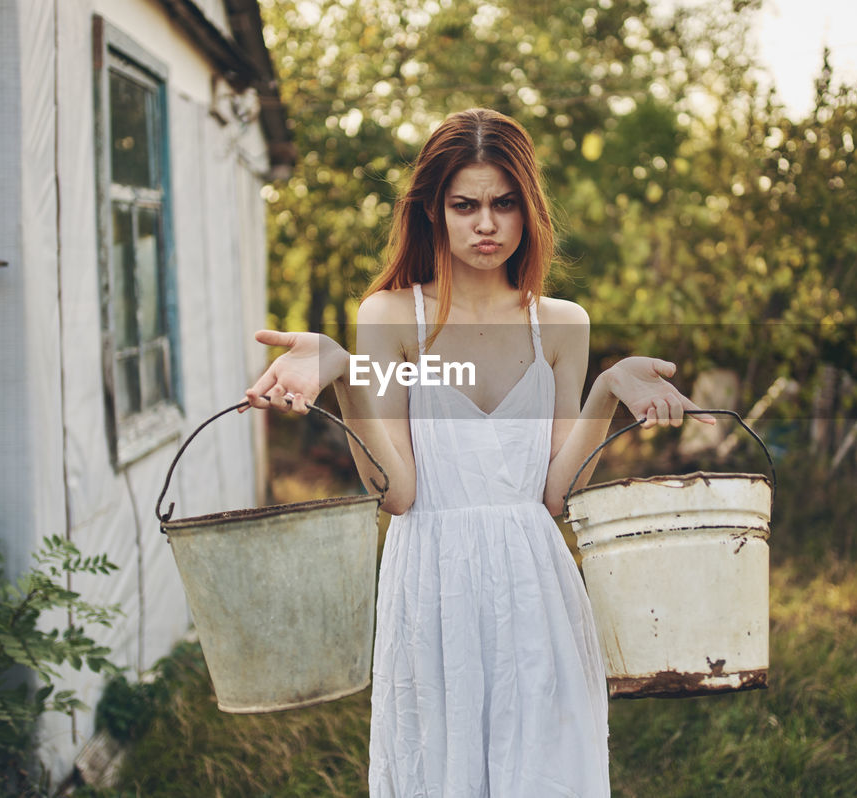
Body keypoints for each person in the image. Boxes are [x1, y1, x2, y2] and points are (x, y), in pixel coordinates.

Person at [244, 108, 713, 797]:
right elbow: (396, 492)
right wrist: (344, 375)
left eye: (504, 203)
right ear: (433, 210)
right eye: (465, 205)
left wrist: (608, 390)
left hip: (536, 584)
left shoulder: (561, 325)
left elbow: (555, 497)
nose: (486, 224)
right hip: (433, 583)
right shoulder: (389, 317)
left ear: (528, 210)